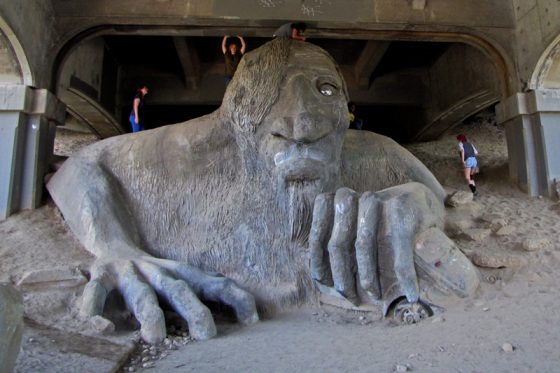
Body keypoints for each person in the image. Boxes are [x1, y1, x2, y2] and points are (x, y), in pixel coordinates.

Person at [47, 39, 477, 344]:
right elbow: (80, 166)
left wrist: (419, 205)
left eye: (325, 90)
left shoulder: (372, 154)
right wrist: (116, 248)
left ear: (345, 107)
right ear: (236, 117)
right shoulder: (196, 147)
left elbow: (436, 195)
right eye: (269, 95)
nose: (303, 124)